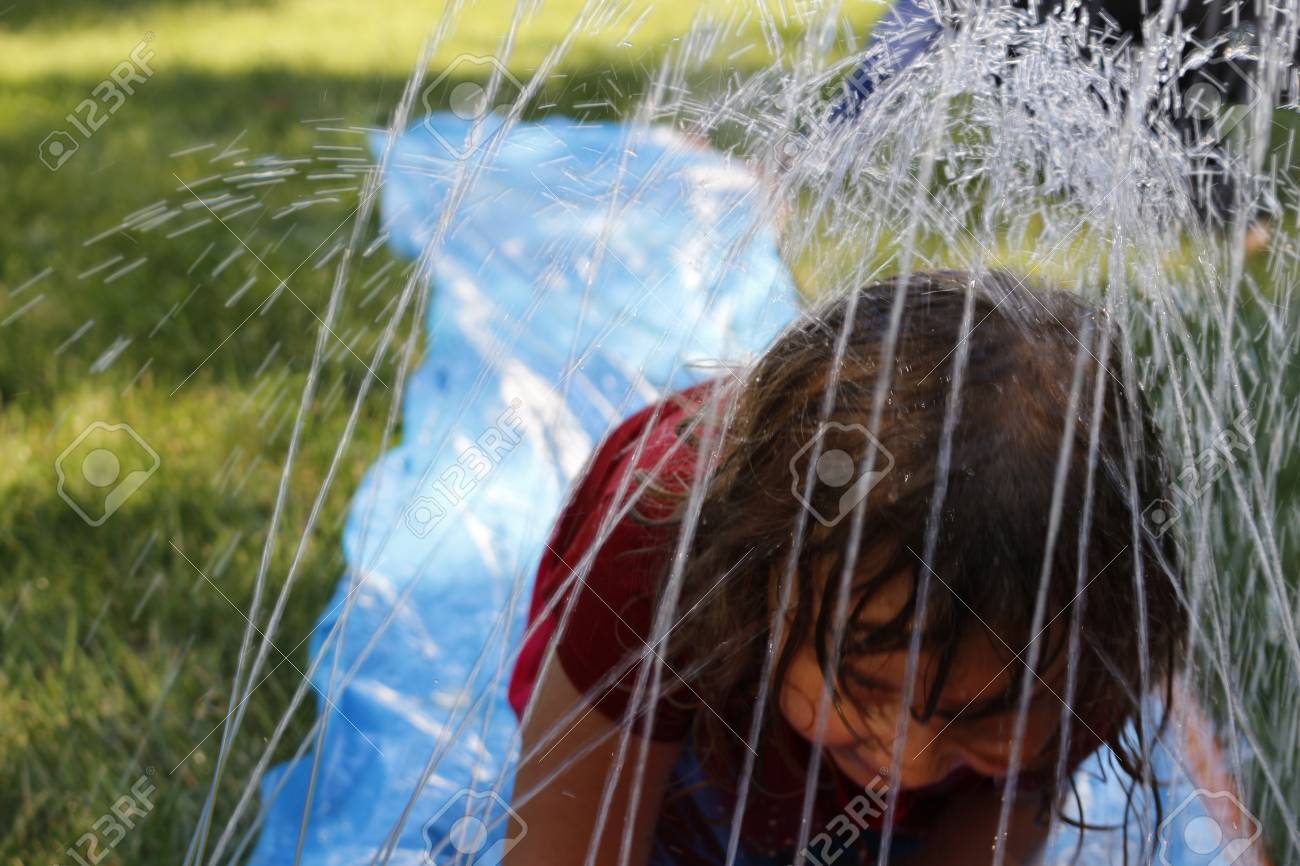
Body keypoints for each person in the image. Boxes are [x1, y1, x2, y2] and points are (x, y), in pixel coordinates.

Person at [506, 270, 1188, 865]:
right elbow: (565, 850)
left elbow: (997, 823)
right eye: (864, 685)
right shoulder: (661, 549)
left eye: (975, 716)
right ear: (773, 571)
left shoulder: (1093, 618)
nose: (908, 762)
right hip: (698, 685)